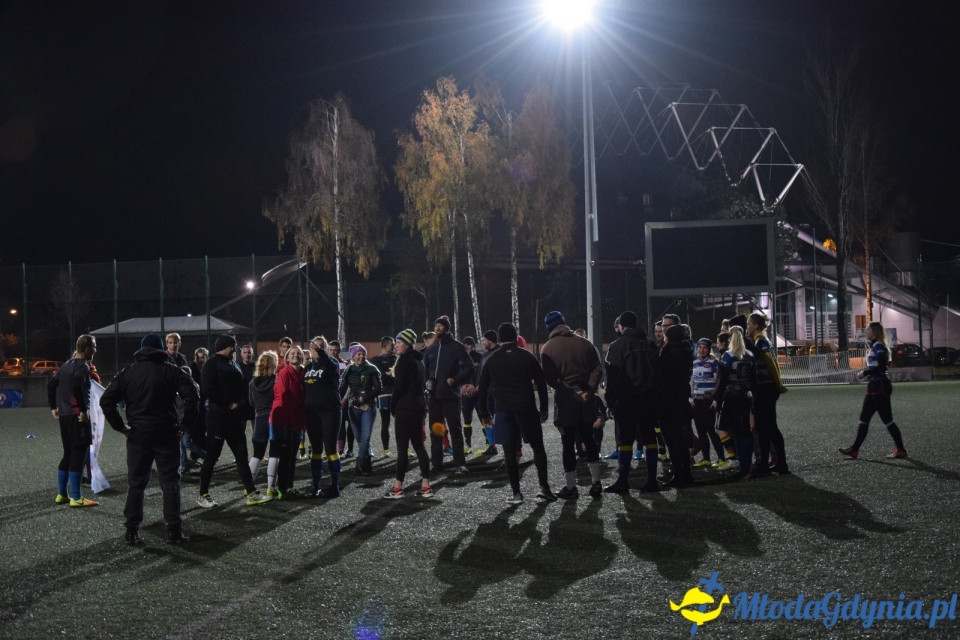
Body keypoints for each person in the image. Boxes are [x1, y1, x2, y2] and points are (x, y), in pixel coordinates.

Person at [100, 333, 199, 544]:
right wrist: (185, 423)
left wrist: (120, 426)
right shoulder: (171, 370)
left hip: (137, 435)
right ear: (162, 349)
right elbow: (193, 395)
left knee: (136, 484)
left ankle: (132, 530)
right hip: (166, 433)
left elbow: (106, 400)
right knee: (170, 482)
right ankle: (173, 530)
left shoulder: (128, 372)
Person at [478, 322, 555, 505]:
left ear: (499, 338)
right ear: (515, 336)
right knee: (538, 448)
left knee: (509, 453)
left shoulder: (492, 359)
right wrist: (543, 408)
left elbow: (482, 389)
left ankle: (516, 494)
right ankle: (544, 487)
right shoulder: (527, 356)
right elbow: (541, 383)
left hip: (504, 410)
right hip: (526, 408)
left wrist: (485, 414)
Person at [197, 334, 272, 507]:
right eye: (234, 346)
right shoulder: (211, 364)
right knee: (212, 457)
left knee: (241, 455)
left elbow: (240, 388)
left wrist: (243, 405)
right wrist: (228, 403)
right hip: (217, 418)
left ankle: (252, 493)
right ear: (228, 346)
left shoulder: (233, 364)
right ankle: (203, 494)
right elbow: (208, 389)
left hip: (234, 420)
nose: (235, 349)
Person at [540, 310, 604, 498]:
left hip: (566, 400)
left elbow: (552, 379)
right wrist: (588, 390)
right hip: (587, 399)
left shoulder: (548, 348)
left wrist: (573, 392)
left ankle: (570, 487)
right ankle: (596, 483)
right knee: (589, 439)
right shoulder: (584, 343)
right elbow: (597, 368)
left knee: (567, 444)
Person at [603, 312, 660, 493]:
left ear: (621, 326)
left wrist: (610, 402)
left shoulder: (618, 345)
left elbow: (613, 376)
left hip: (627, 399)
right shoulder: (650, 344)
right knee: (650, 438)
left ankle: (623, 481)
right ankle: (652, 479)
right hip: (649, 398)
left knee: (625, 439)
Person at [839, 321, 908, 460]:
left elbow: (882, 367)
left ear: (875, 332)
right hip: (874, 386)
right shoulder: (875, 346)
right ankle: (854, 449)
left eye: (869, 330)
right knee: (864, 419)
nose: (867, 332)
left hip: (880, 386)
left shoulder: (879, 347)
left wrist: (866, 372)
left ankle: (901, 449)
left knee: (887, 420)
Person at [48, 334, 99, 508]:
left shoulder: (66, 364)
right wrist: (84, 412)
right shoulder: (83, 367)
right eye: (94, 346)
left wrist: (53, 407)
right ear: (87, 349)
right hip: (77, 417)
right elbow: (78, 385)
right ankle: (76, 498)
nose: (95, 350)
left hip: (64, 416)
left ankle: (61, 494)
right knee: (78, 455)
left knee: (68, 454)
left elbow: (51, 385)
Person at [384, 329, 433, 499]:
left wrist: (393, 406)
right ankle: (426, 485)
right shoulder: (419, 361)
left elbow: (399, 388)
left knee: (402, 448)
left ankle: (398, 487)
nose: (395, 346)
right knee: (419, 445)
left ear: (406, 345)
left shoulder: (404, 361)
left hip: (405, 408)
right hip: (419, 407)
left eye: (398, 343)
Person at [423, 315, 475, 474]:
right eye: (436, 325)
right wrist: (426, 381)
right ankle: (437, 464)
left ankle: (460, 464)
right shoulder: (431, 349)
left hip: (451, 396)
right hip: (434, 398)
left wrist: (456, 380)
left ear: (447, 328)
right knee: (435, 432)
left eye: (440, 325)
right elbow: (424, 370)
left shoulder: (457, 347)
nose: (437, 328)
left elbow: (469, 368)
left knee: (455, 431)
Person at [745, 312, 790, 476]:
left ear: (756, 325)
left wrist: (778, 384)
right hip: (767, 388)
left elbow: (767, 361)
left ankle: (764, 465)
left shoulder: (760, 341)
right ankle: (780, 463)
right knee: (770, 428)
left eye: (749, 324)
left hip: (764, 388)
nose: (747, 327)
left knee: (764, 428)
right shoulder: (762, 341)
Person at [711, 327, 756, 477]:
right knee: (746, 432)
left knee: (736, 432)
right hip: (747, 397)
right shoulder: (750, 355)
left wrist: (717, 399)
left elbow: (723, 381)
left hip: (731, 398)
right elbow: (754, 380)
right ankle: (747, 465)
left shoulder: (727, 356)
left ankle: (742, 468)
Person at [304, 337, 344, 497]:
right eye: (314, 347)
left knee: (331, 449)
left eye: (320, 347)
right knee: (316, 450)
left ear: (325, 349)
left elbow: (328, 364)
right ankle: (316, 487)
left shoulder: (332, 363)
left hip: (330, 412)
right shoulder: (308, 366)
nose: (317, 350)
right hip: (312, 414)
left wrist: (320, 351)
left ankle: (335, 486)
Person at [659, 324, 695, 486]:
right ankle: (684, 473)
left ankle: (680, 474)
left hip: (670, 401)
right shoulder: (686, 351)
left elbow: (663, 378)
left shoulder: (670, 354)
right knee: (679, 438)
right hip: (681, 399)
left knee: (673, 439)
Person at [339, 343, 383, 477]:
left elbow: (378, 388)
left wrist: (365, 398)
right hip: (353, 408)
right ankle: (367, 465)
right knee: (359, 438)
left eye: (363, 353)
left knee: (365, 439)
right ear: (353, 356)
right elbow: (342, 388)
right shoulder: (349, 370)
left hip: (368, 407)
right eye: (358, 354)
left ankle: (359, 465)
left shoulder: (372, 369)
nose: (361, 356)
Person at [269, 345, 307, 498]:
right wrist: (295, 418)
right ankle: (282, 488)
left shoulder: (304, 373)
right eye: (292, 353)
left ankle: (288, 486)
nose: (295, 356)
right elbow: (284, 397)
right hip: (284, 418)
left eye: (298, 353)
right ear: (287, 357)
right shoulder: (284, 373)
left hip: (297, 417)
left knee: (293, 454)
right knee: (286, 455)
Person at [691, 338, 725, 468]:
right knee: (700, 431)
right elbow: (692, 381)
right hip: (697, 401)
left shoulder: (713, 363)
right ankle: (706, 458)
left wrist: (716, 399)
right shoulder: (694, 362)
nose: (702, 350)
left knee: (711, 431)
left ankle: (721, 458)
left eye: (704, 347)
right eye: (700, 347)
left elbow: (718, 382)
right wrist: (691, 397)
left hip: (709, 401)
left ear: (709, 349)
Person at [248, 350, 277, 491]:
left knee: (257, 454)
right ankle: (271, 487)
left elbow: (251, 403)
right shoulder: (276, 380)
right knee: (274, 454)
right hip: (274, 418)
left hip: (259, 418)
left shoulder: (252, 382)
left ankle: (249, 486)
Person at [370, 336, 397, 458]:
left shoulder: (397, 358)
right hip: (384, 395)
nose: (394, 346)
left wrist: (390, 374)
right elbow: (382, 378)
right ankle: (386, 450)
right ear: (385, 346)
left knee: (401, 423)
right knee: (385, 424)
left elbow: (400, 376)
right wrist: (392, 374)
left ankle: (404, 449)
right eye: (392, 345)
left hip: (398, 395)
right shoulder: (376, 360)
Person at [459, 336, 483, 455]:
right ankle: (468, 446)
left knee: (483, 418)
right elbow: (458, 375)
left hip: (478, 393)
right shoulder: (460, 359)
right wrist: (463, 386)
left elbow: (482, 374)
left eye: (469, 344)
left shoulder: (480, 357)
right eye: (465, 344)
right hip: (465, 395)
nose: (467, 346)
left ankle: (490, 444)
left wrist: (477, 386)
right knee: (467, 420)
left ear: (473, 346)